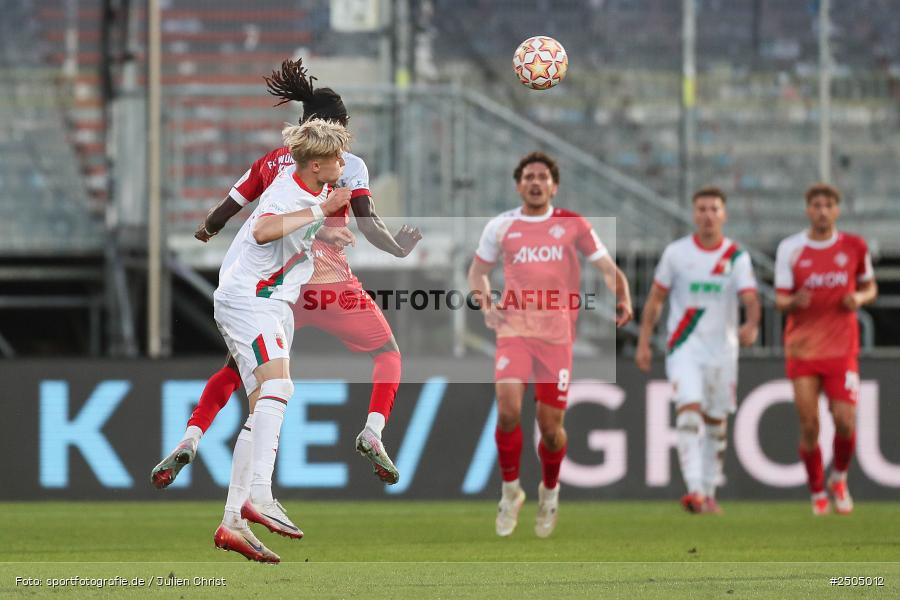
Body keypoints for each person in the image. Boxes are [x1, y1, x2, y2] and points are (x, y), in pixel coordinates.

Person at [151, 59, 421, 492]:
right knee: (388, 353)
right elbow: (368, 223)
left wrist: (208, 229)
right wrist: (398, 247)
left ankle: (192, 435)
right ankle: (373, 430)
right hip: (330, 286)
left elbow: (227, 207)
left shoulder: (273, 162)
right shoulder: (347, 164)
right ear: (334, 130)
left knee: (237, 369)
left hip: (276, 291)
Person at [467, 152, 632, 538]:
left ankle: (550, 490)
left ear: (554, 185)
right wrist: (487, 304)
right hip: (514, 329)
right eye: (529, 176)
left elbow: (606, 268)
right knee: (508, 410)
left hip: (557, 334)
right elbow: (478, 272)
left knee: (550, 427)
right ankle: (510, 492)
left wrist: (622, 295)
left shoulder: (571, 224)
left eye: (542, 176)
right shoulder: (501, 226)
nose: (536, 182)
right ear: (518, 184)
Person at [211, 119, 351, 563]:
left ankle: (233, 520)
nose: (343, 163)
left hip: (265, 301)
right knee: (280, 387)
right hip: (250, 300)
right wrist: (322, 214)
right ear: (315, 164)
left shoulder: (308, 191)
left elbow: (285, 232)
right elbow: (262, 230)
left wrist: (324, 230)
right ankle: (260, 495)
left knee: (261, 407)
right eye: (336, 157)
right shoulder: (296, 194)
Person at [636, 186, 760, 514]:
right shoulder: (676, 254)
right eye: (701, 209)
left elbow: (750, 297)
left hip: (723, 350)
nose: (707, 215)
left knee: (717, 422)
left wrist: (752, 323)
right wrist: (644, 341)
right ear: (694, 214)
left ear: (724, 215)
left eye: (714, 209)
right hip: (684, 346)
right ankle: (694, 490)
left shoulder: (737, 257)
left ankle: (707, 490)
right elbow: (656, 299)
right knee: (689, 412)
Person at [774, 183, 877, 516]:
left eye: (828, 205)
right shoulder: (790, 248)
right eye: (816, 204)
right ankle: (817, 490)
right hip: (802, 349)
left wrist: (858, 298)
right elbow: (779, 299)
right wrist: (792, 302)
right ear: (807, 209)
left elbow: (870, 286)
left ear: (837, 210)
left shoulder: (854, 246)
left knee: (845, 421)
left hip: (842, 348)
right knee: (809, 426)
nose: (821, 210)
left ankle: (839, 478)